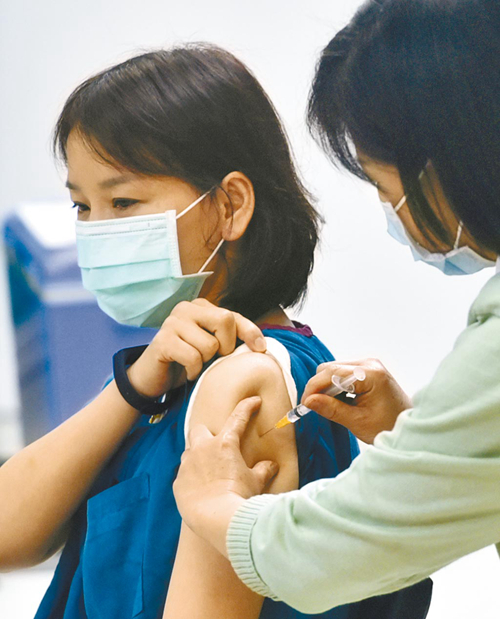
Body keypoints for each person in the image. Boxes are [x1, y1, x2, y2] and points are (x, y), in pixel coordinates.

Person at [0, 44, 430, 618]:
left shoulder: (242, 381)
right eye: (81, 207)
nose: (97, 230)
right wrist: (133, 386)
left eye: (123, 201)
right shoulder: (162, 381)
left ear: (230, 206)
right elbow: (9, 534)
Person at [171, 0, 500, 614]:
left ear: (451, 158)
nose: (386, 207)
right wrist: (411, 430)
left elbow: (339, 549)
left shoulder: (243, 379)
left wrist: (215, 505)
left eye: (379, 180)